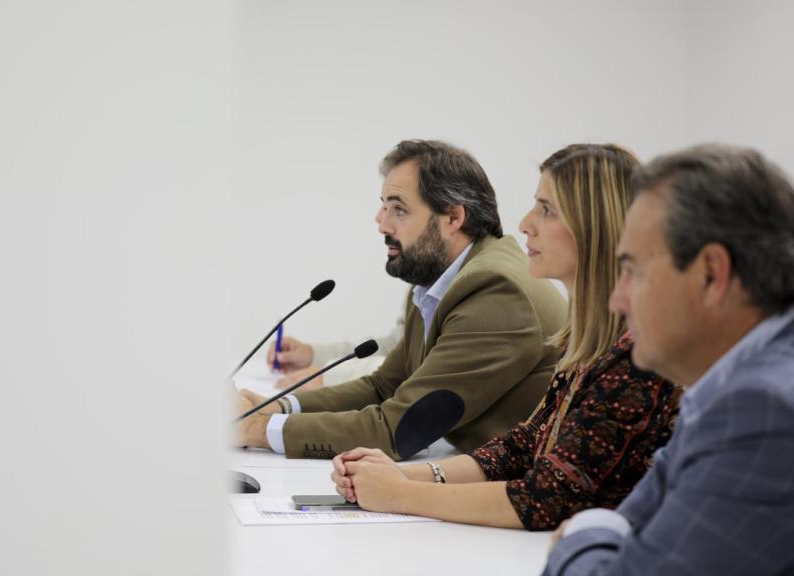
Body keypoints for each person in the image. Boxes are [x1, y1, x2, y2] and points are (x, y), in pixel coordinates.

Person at [330, 144, 680, 530]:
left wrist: (401, 495)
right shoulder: (586, 341)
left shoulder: (638, 354)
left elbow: (548, 498)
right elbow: (525, 446)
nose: (526, 223)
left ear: (594, 225)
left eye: (546, 210)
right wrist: (409, 476)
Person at [544, 144, 794, 575]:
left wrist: (579, 536)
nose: (618, 299)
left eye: (634, 271)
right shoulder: (725, 385)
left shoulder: (761, 408)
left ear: (711, 274)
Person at [236, 139, 567, 460]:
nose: (381, 223)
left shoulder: (496, 291)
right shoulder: (436, 280)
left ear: (453, 218)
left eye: (398, 208)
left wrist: (257, 429)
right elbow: (384, 386)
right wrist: (279, 406)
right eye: (383, 206)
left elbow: (398, 429)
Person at [265, 318, 403, 390]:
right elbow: (397, 345)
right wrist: (313, 356)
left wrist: (331, 375)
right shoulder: (416, 289)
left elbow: (415, 367)